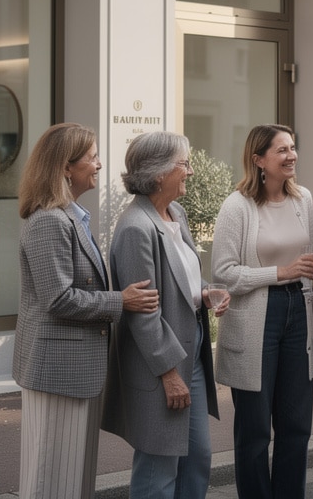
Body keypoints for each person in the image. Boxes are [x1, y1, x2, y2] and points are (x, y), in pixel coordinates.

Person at [13, 123, 159, 499]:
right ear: (66, 167)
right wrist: (121, 301)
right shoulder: (50, 221)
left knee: (73, 479)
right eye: (92, 157)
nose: (99, 164)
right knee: (51, 481)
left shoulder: (71, 217)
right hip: (57, 372)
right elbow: (58, 299)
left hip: (76, 371)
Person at [104, 131, 229, 499]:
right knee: (159, 466)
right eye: (184, 164)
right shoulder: (136, 228)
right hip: (161, 364)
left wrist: (203, 292)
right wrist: (169, 374)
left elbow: (180, 276)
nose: (190, 171)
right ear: (158, 174)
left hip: (191, 354)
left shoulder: (176, 213)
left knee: (197, 456)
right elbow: (143, 313)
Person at [211, 125, 313, 499]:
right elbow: (224, 273)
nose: (292, 155)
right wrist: (281, 272)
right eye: (282, 150)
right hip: (256, 316)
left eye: (293, 147)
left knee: (296, 426)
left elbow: (309, 255)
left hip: (299, 311)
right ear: (258, 160)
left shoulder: (303, 199)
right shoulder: (237, 206)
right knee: (255, 430)